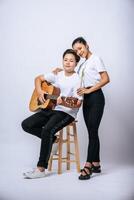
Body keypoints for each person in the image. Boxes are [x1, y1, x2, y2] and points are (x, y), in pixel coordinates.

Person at [53, 37, 110, 180]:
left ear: (87, 45)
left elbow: (106, 79)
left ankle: (88, 166)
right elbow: (76, 76)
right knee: (92, 130)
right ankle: (96, 163)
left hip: (96, 97)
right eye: (76, 50)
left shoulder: (96, 58)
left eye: (80, 48)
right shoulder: (82, 64)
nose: (79, 52)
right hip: (86, 99)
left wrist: (89, 91)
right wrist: (61, 70)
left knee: (93, 130)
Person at [21, 49, 83, 179]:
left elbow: (77, 104)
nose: (68, 62)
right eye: (65, 59)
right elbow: (38, 79)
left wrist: (63, 102)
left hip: (67, 112)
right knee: (26, 124)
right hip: (52, 108)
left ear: (76, 63)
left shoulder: (78, 79)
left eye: (71, 60)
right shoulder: (57, 74)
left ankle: (40, 169)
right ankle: (53, 140)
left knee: (47, 129)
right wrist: (39, 92)